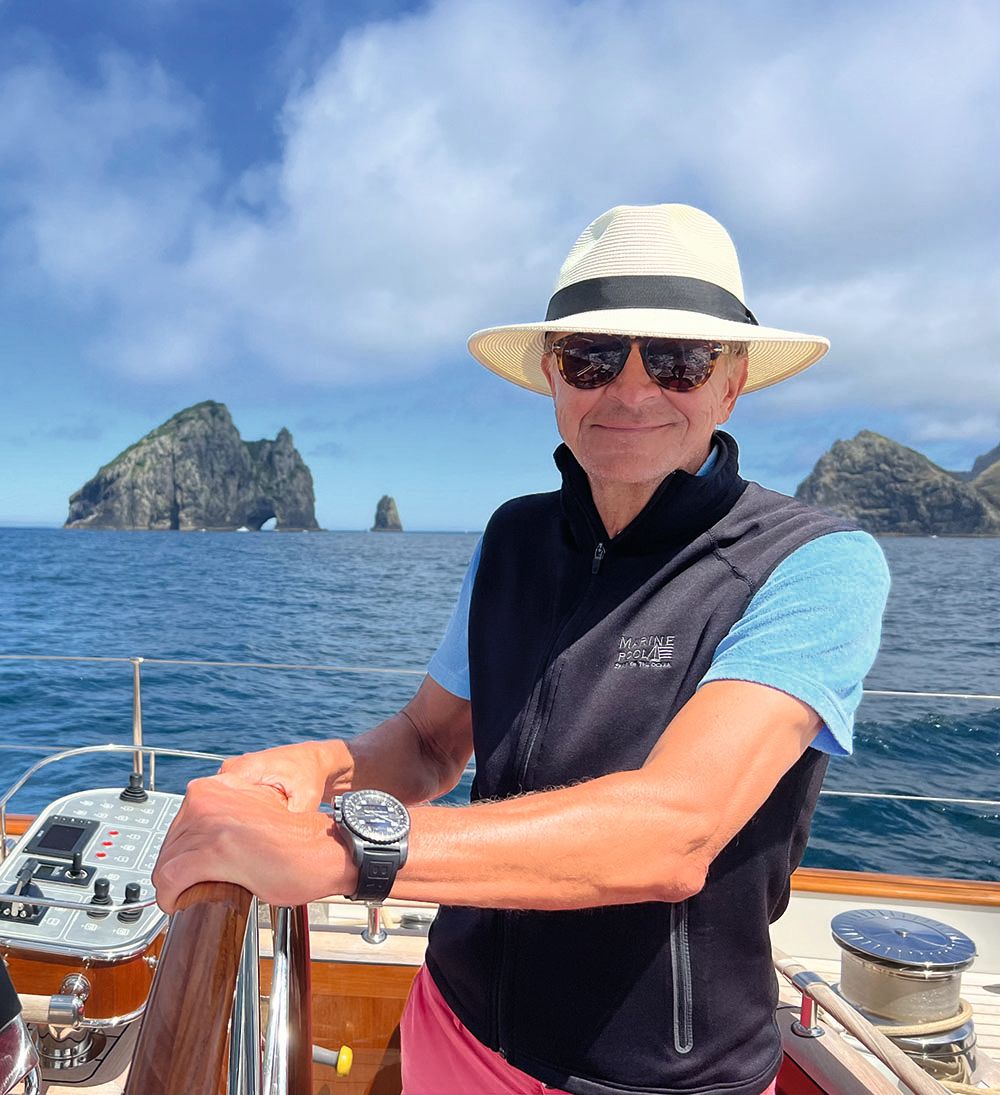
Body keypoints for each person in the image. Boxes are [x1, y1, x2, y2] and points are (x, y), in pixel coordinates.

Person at [153, 203, 890, 1095]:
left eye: (677, 359)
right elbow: (430, 742)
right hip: (453, 1025)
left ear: (730, 382)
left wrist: (345, 851)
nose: (629, 390)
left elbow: (673, 830)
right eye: (592, 356)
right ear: (553, 374)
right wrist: (320, 766)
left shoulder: (814, 562)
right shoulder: (513, 537)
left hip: (657, 1078)